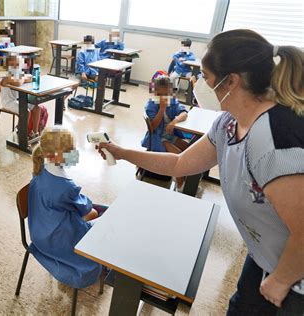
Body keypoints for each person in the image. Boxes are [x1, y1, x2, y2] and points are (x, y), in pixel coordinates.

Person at [97, 29, 304, 315]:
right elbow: (180, 164)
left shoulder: (275, 138)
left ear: (232, 81)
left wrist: (281, 280)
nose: (199, 84)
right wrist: (122, 153)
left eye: (205, 77)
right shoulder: (229, 123)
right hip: (265, 256)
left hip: (296, 277)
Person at [28, 128, 107, 289]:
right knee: (106, 219)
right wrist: (96, 214)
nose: (74, 153)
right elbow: (88, 212)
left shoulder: (40, 169)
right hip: (58, 240)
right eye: (69, 150)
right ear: (53, 155)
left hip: (39, 232)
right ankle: (106, 267)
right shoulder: (66, 186)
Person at [141, 76, 188, 189]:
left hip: (170, 135)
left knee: (189, 148)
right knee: (179, 156)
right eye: (160, 94)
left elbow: (184, 113)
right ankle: (180, 184)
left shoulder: (172, 102)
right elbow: (153, 127)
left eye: (166, 94)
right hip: (158, 137)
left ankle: (187, 177)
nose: (163, 97)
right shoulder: (151, 105)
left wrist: (175, 121)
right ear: (155, 93)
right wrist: (161, 110)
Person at [0, 55, 41, 139]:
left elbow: (30, 78)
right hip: (8, 102)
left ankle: (35, 132)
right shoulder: (6, 78)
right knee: (26, 111)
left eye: (17, 64)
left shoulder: (19, 75)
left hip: (17, 100)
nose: (15, 67)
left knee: (37, 108)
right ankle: (23, 135)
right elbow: (18, 83)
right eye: (12, 64)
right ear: (7, 66)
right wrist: (24, 78)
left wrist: (23, 78)